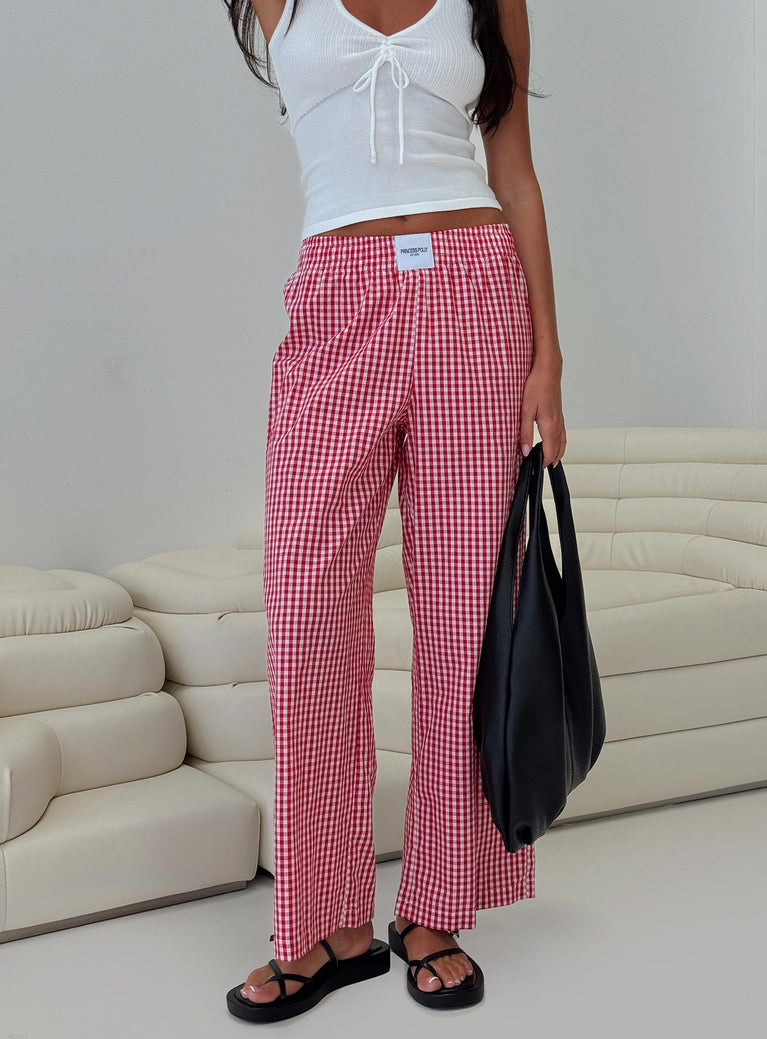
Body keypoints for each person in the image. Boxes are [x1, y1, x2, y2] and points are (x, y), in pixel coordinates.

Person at [225, 0, 566, 1022]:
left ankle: (433, 907)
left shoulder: (487, 0)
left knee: (466, 617)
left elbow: (513, 170)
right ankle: (323, 921)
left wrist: (548, 355)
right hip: (336, 298)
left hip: (476, 292)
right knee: (305, 608)